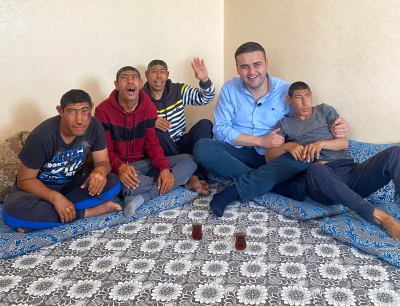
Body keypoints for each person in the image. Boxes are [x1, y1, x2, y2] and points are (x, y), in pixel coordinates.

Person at [193, 42, 348, 217]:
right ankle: (273, 185)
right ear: (237, 68)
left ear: (266, 64)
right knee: (202, 148)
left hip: (273, 157)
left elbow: (306, 116)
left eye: (257, 64)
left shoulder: (286, 91)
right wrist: (261, 141)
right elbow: (220, 129)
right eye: (244, 66)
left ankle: (251, 184)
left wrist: (338, 124)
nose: (251, 72)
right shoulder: (229, 88)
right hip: (235, 153)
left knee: (302, 156)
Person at [266, 81, 400, 241]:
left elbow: (343, 143)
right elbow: (269, 157)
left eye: (307, 96)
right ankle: (379, 216)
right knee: (316, 169)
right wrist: (288, 146)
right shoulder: (285, 124)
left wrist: (320, 143)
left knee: (395, 152)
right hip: (321, 183)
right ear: (289, 100)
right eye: (299, 97)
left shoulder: (324, 111)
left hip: (349, 171)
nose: (305, 102)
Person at [2, 89, 122, 232]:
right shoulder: (41, 138)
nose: (79, 120)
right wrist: (55, 198)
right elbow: (24, 180)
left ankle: (43, 219)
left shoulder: (95, 126)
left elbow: (103, 162)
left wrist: (100, 171)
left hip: (70, 187)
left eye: (85, 111)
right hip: (36, 192)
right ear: (60, 111)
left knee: (113, 182)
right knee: (11, 212)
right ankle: (88, 212)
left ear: (92, 108)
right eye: (72, 111)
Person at [94, 66, 197, 217]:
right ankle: (167, 184)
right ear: (116, 85)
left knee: (190, 161)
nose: (130, 81)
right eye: (124, 77)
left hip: (144, 164)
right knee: (118, 184)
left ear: (141, 83)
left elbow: (152, 144)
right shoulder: (103, 110)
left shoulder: (148, 106)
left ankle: (141, 197)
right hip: (119, 169)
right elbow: (105, 152)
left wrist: (164, 169)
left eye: (134, 77)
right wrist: (120, 167)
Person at [142, 58, 215, 195]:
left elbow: (205, 98)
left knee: (205, 124)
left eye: (162, 72)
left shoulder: (178, 90)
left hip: (181, 141)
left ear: (167, 75)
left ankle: (197, 174)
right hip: (163, 149)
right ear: (147, 75)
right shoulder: (140, 98)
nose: (159, 76)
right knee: (156, 132)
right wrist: (150, 122)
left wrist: (204, 80)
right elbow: (131, 124)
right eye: (154, 72)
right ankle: (191, 176)